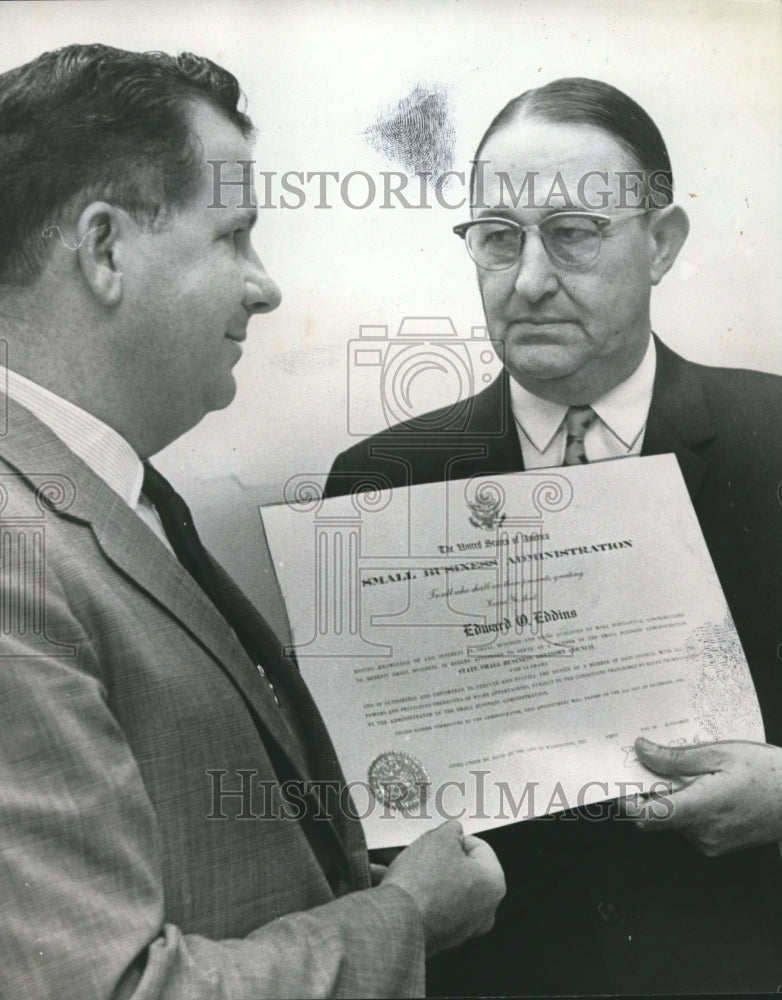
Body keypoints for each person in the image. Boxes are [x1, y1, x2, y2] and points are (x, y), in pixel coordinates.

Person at [0, 44, 506, 999]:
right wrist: (403, 919)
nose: (265, 285)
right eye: (233, 235)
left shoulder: (94, 485)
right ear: (105, 248)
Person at [326, 77, 782, 996]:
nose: (528, 280)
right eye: (498, 238)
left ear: (661, 245)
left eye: (573, 233)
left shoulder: (774, 439)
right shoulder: (380, 484)